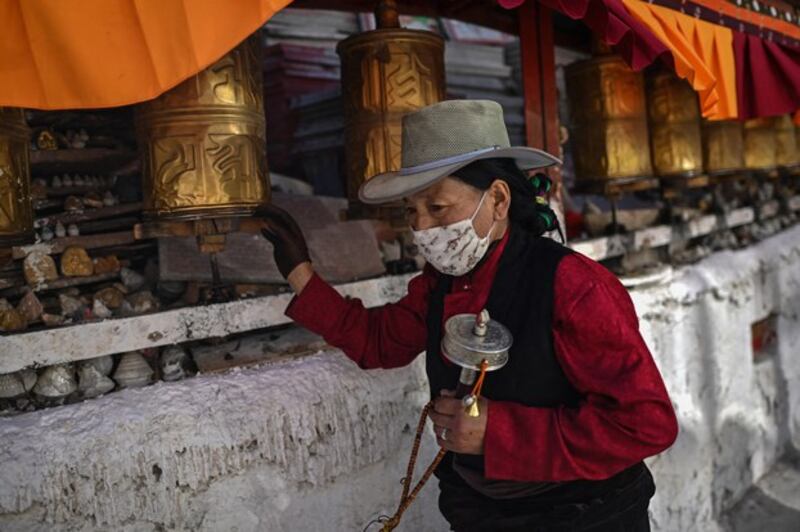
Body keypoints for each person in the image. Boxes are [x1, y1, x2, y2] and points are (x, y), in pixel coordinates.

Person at [258, 100, 678, 531]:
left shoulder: (572, 285)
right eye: (411, 212)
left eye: (437, 208)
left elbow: (645, 424)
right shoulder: (440, 284)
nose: (421, 228)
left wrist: (499, 432)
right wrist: (302, 276)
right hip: (482, 514)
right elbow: (378, 341)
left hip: (587, 516)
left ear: (497, 199)